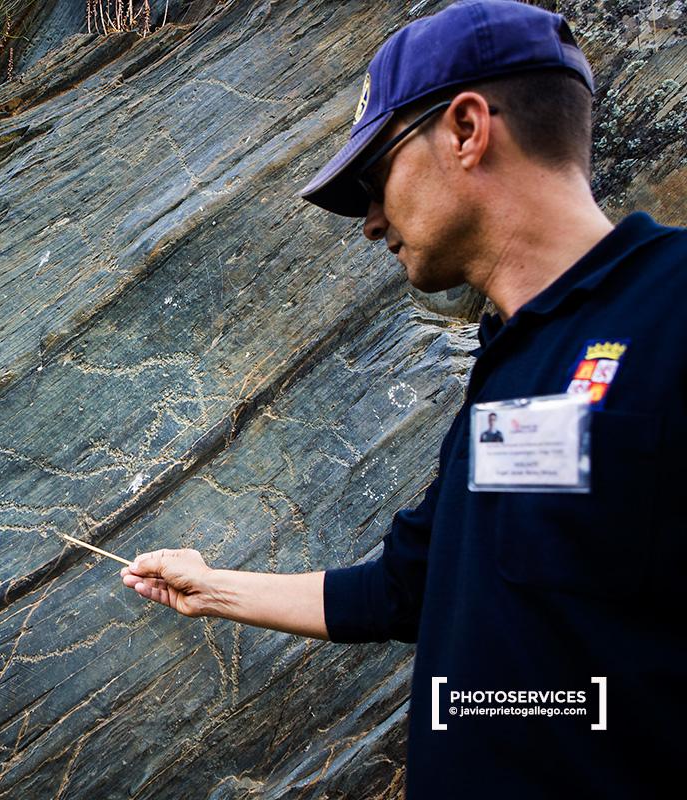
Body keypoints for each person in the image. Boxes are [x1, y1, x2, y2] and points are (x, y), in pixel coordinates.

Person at [119, 1, 686, 797]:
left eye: (372, 175)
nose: (369, 221)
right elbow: (405, 589)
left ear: (465, 130)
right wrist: (210, 586)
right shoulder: (511, 366)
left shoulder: (674, 303)